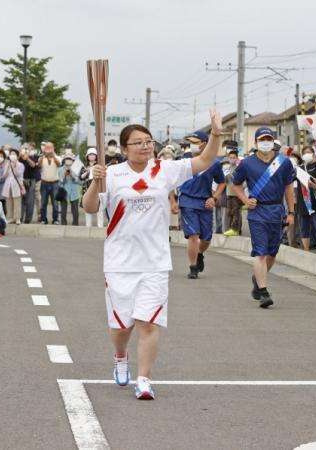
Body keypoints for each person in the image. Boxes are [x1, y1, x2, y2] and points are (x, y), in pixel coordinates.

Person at [81, 110, 223, 400]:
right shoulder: (112, 174)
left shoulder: (165, 169)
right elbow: (90, 207)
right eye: (138, 142)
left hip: (155, 262)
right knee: (122, 326)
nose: (146, 146)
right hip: (120, 262)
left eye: (148, 141)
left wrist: (217, 135)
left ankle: (144, 378)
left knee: (148, 322)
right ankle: (120, 355)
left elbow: (205, 160)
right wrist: (96, 181)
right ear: (123, 149)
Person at [231, 127, 296, 308]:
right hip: (257, 212)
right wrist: (245, 199)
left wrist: (291, 212)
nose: (265, 142)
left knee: (272, 253)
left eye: (268, 138)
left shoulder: (284, 163)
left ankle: (257, 279)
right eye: (262, 139)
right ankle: (264, 291)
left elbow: (289, 188)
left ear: (273, 141)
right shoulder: (247, 163)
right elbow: (235, 184)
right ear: (256, 142)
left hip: (276, 211)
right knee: (260, 252)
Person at [178, 131, 226, 279]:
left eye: (196, 142)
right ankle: (192, 267)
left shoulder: (214, 163)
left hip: (205, 202)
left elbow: (222, 183)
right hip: (187, 201)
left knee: (206, 239)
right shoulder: (183, 160)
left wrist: (214, 198)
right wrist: (173, 200)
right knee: (193, 235)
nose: (193, 145)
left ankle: (199, 254)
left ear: (205, 143)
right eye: (191, 142)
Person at [296, 146, 316, 251]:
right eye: (305, 152)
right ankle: (306, 248)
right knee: (304, 225)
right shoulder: (299, 168)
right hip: (303, 200)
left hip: (315, 200)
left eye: (309, 152)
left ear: (313, 154)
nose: (307, 154)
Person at [1, 148, 25, 225]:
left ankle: (17, 218)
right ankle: (10, 217)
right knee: (9, 202)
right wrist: (8, 167)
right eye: (11, 154)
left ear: (17, 156)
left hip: (17, 185)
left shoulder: (20, 164)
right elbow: (4, 176)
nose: (12, 155)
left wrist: (14, 166)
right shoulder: (7, 164)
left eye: (14, 154)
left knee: (17, 202)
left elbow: (18, 174)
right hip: (8, 185)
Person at [80, 148, 103, 227]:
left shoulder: (99, 165)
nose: (92, 156)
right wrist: (87, 171)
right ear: (87, 156)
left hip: (97, 189)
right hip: (87, 188)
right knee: (88, 207)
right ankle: (88, 226)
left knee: (100, 208)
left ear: (96, 156)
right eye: (90, 155)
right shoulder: (84, 166)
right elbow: (81, 177)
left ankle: (100, 226)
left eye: (93, 155)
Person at [39, 142, 61, 224]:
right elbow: (39, 165)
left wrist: (53, 156)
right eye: (46, 148)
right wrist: (43, 155)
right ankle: (43, 219)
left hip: (54, 183)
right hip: (44, 183)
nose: (48, 149)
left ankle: (55, 219)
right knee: (43, 202)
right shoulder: (42, 158)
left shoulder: (57, 157)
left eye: (50, 147)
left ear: (53, 148)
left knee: (55, 203)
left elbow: (59, 164)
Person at [223, 149, 243, 237]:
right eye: (230, 158)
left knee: (236, 212)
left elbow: (242, 181)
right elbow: (225, 181)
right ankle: (230, 229)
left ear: (237, 158)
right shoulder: (227, 168)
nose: (232, 159)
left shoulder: (239, 168)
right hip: (228, 193)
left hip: (237, 194)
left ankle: (236, 229)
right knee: (229, 212)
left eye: (234, 158)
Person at [59, 155, 82, 226]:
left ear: (73, 161)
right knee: (63, 209)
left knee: (75, 209)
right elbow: (60, 182)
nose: (68, 161)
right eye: (67, 159)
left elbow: (80, 182)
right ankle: (63, 223)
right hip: (63, 190)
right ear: (64, 161)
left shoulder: (76, 169)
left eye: (70, 159)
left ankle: (75, 223)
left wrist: (72, 176)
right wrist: (64, 176)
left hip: (74, 191)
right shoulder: (60, 169)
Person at [19, 144, 40, 223]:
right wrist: (20, 155)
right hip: (21, 180)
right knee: (21, 200)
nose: (25, 150)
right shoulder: (19, 157)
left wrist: (27, 158)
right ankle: (20, 217)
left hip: (31, 180)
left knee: (30, 201)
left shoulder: (34, 156)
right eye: (24, 148)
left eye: (27, 148)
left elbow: (33, 165)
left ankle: (28, 219)